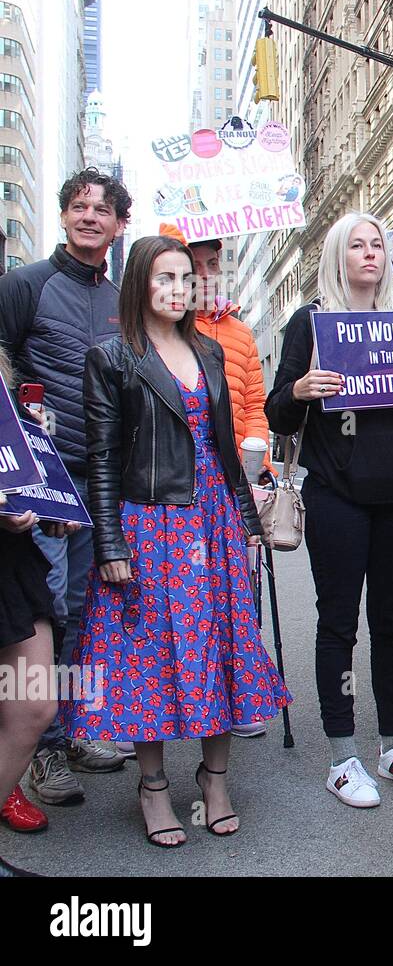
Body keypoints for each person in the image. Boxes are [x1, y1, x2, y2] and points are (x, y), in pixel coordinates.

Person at [64, 236, 290, 846]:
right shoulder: (110, 357)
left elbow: (224, 446)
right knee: (150, 658)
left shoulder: (212, 353)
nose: (176, 289)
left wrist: (245, 519)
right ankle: (154, 787)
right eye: (164, 277)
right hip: (150, 523)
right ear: (139, 282)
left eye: (185, 279)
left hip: (213, 518)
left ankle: (215, 779)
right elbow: (103, 457)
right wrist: (109, 542)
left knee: (224, 644)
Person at [266, 212, 393, 807]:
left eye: (377, 244)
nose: (369, 253)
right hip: (336, 497)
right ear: (337, 257)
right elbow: (277, 413)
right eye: (356, 245)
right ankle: (343, 754)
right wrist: (298, 391)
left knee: (391, 622)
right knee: (338, 621)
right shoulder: (309, 323)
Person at [0, 168, 132, 807]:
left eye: (101, 210)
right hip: (36, 481)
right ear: (63, 215)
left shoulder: (122, 300)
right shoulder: (23, 285)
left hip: (96, 478)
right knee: (44, 612)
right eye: (78, 206)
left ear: (117, 225)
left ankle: (72, 731)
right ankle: (39, 749)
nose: (89, 217)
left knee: (82, 610)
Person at [159, 224, 273, 740]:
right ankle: (174, 695)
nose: (202, 275)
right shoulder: (159, 331)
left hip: (233, 481)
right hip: (173, 485)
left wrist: (257, 469)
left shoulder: (240, 332)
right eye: (190, 266)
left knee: (235, 592)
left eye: (209, 265)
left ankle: (235, 693)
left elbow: (254, 408)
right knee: (180, 594)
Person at [0, 346, 73, 869]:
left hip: (9, 563)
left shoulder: (7, 385)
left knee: (34, 706)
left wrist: (52, 508)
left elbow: (27, 468)